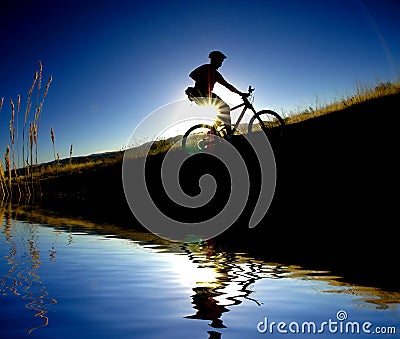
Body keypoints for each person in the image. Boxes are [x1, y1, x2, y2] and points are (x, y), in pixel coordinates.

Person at [185, 51, 248, 136]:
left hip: (206, 95)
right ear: (214, 60)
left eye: (222, 61)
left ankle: (213, 131)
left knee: (222, 110)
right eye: (220, 61)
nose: (221, 63)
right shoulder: (206, 68)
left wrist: (241, 93)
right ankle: (229, 134)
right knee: (225, 108)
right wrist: (202, 82)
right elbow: (192, 75)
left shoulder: (216, 74)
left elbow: (228, 85)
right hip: (201, 95)